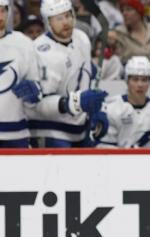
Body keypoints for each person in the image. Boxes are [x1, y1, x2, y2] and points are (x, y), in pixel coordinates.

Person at [18, 0, 107, 148]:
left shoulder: (82, 39)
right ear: (48, 22)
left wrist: (97, 110)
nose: (65, 22)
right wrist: (72, 104)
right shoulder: (40, 52)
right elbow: (34, 105)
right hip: (49, 131)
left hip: (79, 129)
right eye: (58, 18)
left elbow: (87, 78)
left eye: (68, 15)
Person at [95, 56, 150, 148]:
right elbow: (104, 147)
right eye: (135, 79)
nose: (140, 85)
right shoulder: (111, 109)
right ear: (127, 81)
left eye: (144, 80)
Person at [0, 0, 41, 147]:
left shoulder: (23, 43)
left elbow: (35, 85)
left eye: (2, 10)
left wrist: (34, 91)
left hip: (16, 133)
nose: (0, 15)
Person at [109, 0, 150, 65]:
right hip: (130, 73)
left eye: (128, 10)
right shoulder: (118, 34)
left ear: (139, 12)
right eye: (122, 10)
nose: (124, 13)